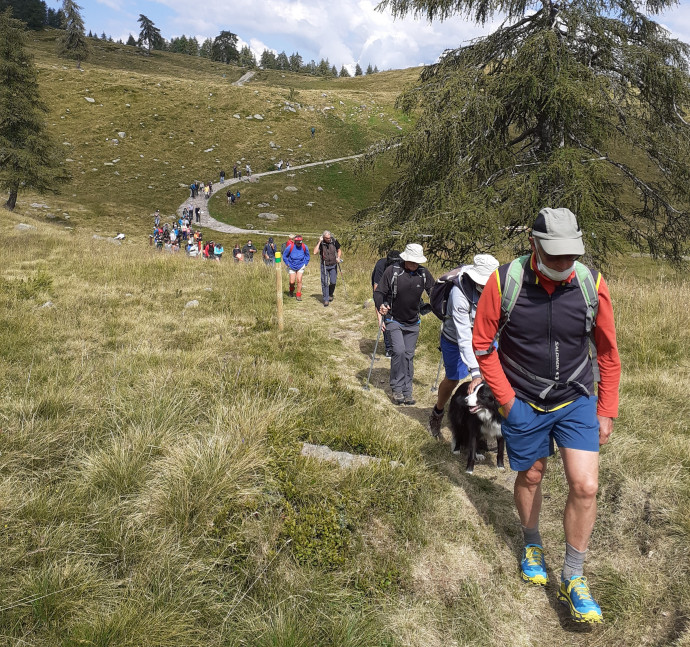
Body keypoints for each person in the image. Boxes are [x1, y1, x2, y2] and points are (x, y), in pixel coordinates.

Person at [472, 208, 621, 624]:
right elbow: (483, 343)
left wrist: (606, 409)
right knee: (533, 474)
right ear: (533, 243)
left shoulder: (592, 285)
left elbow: (607, 353)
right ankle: (532, 542)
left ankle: (574, 576)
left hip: (576, 398)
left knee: (586, 485)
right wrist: (507, 403)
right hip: (523, 398)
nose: (562, 264)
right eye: (554, 255)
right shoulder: (505, 281)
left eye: (570, 256)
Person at [428, 254, 500, 438]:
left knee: (490, 378)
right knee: (453, 379)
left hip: (486, 337)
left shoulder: (498, 286)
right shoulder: (458, 294)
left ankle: (488, 424)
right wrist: (475, 371)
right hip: (455, 339)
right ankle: (437, 412)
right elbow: (464, 337)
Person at [373, 243, 434, 405]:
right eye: (411, 261)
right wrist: (381, 305)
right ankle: (397, 388)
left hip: (413, 322)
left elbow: (434, 291)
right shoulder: (393, 271)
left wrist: (444, 304)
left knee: (408, 355)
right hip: (394, 319)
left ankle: (408, 391)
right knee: (399, 351)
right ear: (405, 258)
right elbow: (379, 292)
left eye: (417, 262)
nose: (415, 264)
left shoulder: (423, 273)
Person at [371, 250, 402, 358]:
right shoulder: (381, 266)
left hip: (396, 284)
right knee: (384, 310)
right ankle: (389, 347)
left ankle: (397, 342)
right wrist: (380, 319)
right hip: (381, 286)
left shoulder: (402, 267)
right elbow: (377, 294)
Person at [313, 230, 342, 307]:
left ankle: (330, 293)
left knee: (333, 281)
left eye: (329, 238)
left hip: (333, 264)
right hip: (324, 265)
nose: (329, 239)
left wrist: (338, 257)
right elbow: (315, 252)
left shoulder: (334, 241)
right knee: (325, 282)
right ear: (323, 237)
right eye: (327, 238)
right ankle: (326, 299)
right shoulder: (321, 243)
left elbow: (339, 250)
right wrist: (319, 241)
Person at [283, 235, 309, 301]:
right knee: (292, 282)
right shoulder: (290, 247)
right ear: (295, 241)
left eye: (300, 242)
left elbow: (307, 255)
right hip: (291, 266)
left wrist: (305, 263)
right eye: (298, 242)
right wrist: (287, 263)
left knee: (299, 280)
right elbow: (284, 256)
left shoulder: (304, 246)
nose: (299, 243)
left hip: (301, 265)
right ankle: (291, 291)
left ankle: (298, 295)